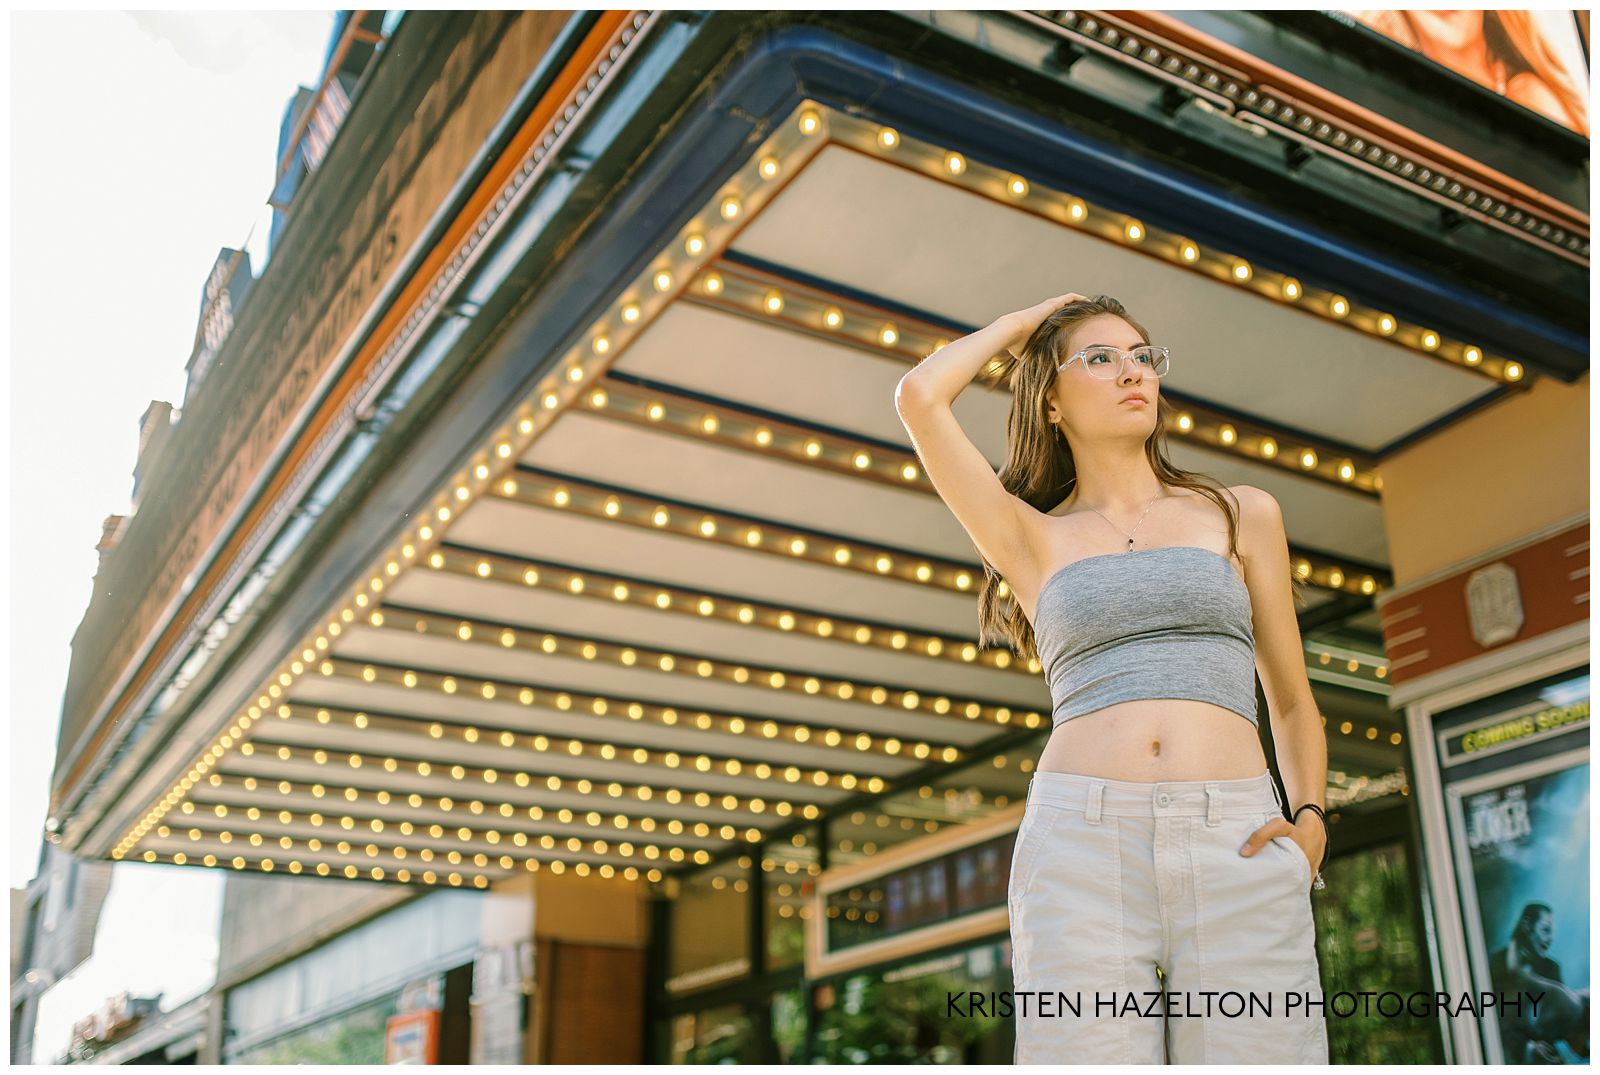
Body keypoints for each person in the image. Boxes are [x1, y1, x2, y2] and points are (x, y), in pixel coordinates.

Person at [893, 293, 1330, 1063]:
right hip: (1082, 842)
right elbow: (920, 397)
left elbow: (1292, 701)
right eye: (1101, 358)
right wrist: (1026, 326)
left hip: (1241, 836)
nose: (1134, 371)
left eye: (1143, 356)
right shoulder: (1029, 535)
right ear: (1051, 401)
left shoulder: (1240, 513)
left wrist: (1312, 822)